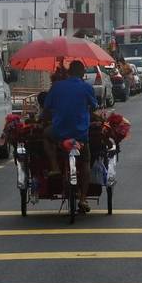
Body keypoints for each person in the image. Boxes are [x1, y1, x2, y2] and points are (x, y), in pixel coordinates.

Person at [40, 59, 101, 212]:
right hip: (81, 133)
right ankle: (83, 199)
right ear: (81, 73)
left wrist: (43, 120)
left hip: (59, 131)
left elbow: (46, 108)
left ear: (68, 72)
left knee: (46, 135)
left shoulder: (57, 87)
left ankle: (54, 167)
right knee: (86, 160)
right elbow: (94, 107)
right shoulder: (86, 87)